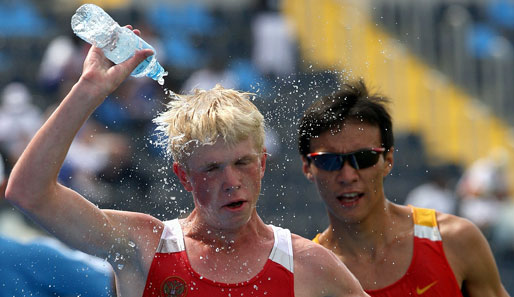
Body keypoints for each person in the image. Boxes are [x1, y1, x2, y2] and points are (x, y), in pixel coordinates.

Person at [6, 26, 368, 297]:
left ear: (262, 164)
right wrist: (88, 90)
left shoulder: (309, 265)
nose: (231, 180)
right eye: (212, 168)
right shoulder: (144, 247)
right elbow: (27, 192)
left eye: (242, 163)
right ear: (184, 176)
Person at [298, 79, 510, 296]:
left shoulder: (455, 240)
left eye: (363, 158)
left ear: (388, 160)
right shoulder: (307, 275)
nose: (347, 175)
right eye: (329, 161)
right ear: (307, 166)